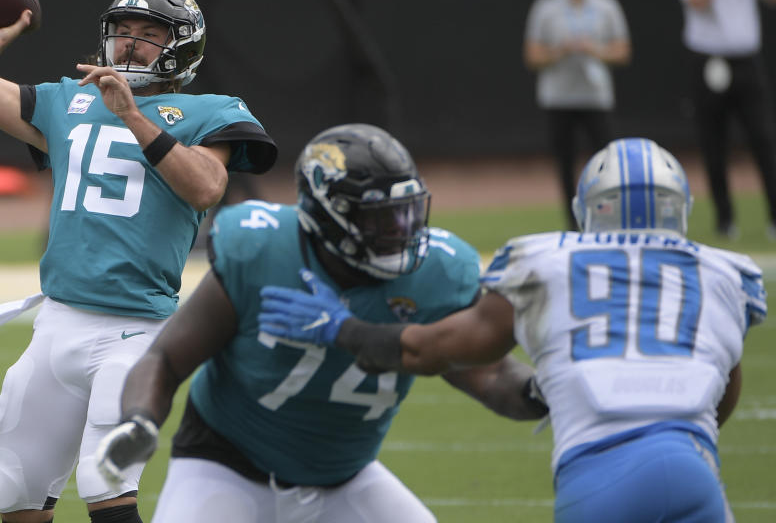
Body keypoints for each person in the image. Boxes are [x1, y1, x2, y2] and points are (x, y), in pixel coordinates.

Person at [260, 137, 766, 523]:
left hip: (599, 474)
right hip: (693, 464)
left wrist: (343, 328)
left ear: (588, 206)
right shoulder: (723, 273)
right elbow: (723, 394)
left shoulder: (547, 261)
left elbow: (429, 350)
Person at [0, 0, 277, 523]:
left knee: (107, 488)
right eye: (122, 31)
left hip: (136, 330)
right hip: (56, 324)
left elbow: (207, 189)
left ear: (182, 45)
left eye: (149, 33)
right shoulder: (66, 102)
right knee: (17, 497)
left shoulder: (209, 112)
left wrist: (132, 115)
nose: (130, 43)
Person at [94, 123, 549, 522]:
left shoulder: (438, 273)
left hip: (344, 476)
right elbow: (167, 359)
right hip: (226, 464)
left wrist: (548, 390)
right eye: (380, 218)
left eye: (406, 212)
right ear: (326, 215)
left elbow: (487, 374)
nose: (401, 231)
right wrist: (139, 421)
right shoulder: (265, 251)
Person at [672, 0, 776, 240]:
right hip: (708, 61)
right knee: (714, 143)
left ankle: (774, 215)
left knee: (763, 139)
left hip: (746, 61)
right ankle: (725, 219)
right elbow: (697, 0)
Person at [523, 0, 632, 230]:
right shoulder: (545, 6)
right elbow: (532, 55)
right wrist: (562, 50)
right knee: (565, 164)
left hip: (595, 97)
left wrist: (594, 49)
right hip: (558, 97)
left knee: (606, 162)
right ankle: (574, 223)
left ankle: (610, 215)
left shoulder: (607, 5)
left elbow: (623, 51)